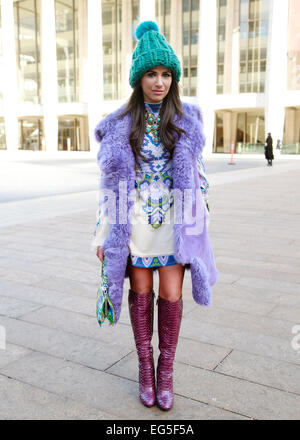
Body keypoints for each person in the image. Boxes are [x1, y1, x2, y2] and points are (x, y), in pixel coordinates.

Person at [91, 21, 218, 411]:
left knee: (172, 294)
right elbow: (109, 188)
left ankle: (167, 372)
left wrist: (199, 225)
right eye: (151, 73)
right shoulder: (120, 126)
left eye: (166, 74)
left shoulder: (185, 120)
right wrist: (103, 235)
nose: (159, 82)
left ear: (173, 78)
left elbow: (199, 179)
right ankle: (146, 369)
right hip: (135, 227)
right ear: (138, 78)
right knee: (141, 294)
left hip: (175, 227)